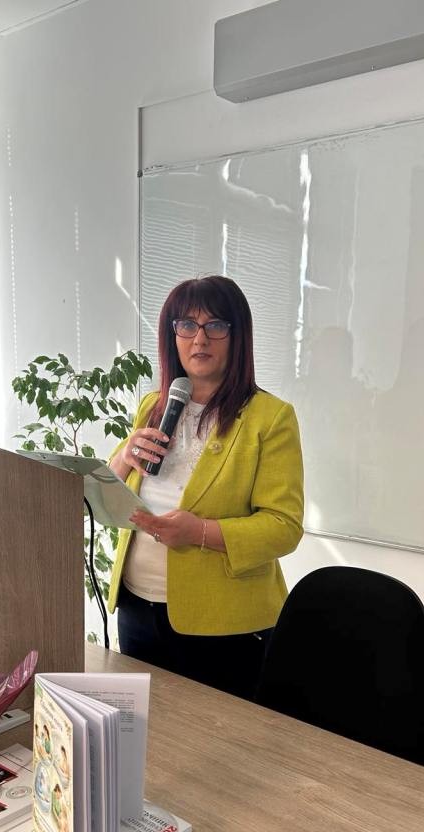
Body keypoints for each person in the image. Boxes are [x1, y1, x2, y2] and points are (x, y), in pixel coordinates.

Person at [107, 275, 304, 698]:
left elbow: (284, 527)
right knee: (146, 732)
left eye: (215, 325)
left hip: (223, 625)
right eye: (187, 325)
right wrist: (124, 457)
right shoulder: (153, 405)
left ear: (237, 335)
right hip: (137, 607)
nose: (200, 338)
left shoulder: (270, 418)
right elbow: (109, 489)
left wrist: (198, 532)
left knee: (218, 738)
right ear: (172, 335)